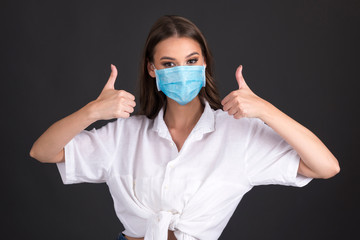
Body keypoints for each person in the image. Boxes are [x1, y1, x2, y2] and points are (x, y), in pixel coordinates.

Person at [30, 15, 340, 240]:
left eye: (191, 61)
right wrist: (92, 111)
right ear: (152, 69)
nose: (182, 71)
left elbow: (326, 167)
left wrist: (266, 111)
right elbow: (43, 152)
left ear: (205, 63)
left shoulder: (238, 135)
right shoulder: (124, 135)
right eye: (168, 63)